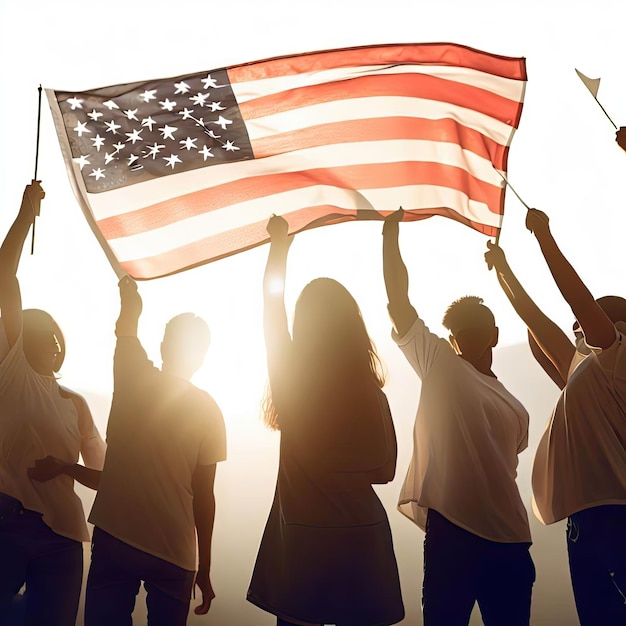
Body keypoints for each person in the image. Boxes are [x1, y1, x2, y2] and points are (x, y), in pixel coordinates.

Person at [247, 215, 404, 626]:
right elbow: (385, 471)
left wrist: (279, 246)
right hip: (362, 536)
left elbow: (270, 308)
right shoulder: (372, 396)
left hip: (304, 539)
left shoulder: (290, 382)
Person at [382, 209, 534, 626]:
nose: (464, 337)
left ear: (494, 335)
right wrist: (389, 233)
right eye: (458, 331)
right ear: (450, 339)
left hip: (510, 542)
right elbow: (399, 301)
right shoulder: (439, 362)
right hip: (453, 535)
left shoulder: (517, 409)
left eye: (472, 328)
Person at [485, 208, 626, 626]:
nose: (577, 331)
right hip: (583, 521)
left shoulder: (617, 355)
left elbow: (573, 295)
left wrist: (543, 236)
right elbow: (536, 323)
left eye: (584, 326)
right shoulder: (587, 368)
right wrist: (503, 270)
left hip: (615, 515)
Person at [83, 275, 227, 626]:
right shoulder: (210, 410)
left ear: (163, 346)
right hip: (174, 551)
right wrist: (204, 567)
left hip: (118, 534)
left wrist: (128, 294)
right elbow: (203, 497)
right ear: (201, 359)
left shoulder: (132, 372)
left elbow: (127, 323)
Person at [0, 180, 106, 626]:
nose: (55, 346)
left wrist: (65, 468)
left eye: (59, 339)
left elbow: (104, 479)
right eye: (45, 337)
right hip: (8, 525)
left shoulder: (76, 403)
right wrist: (26, 216)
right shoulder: (12, 373)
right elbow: (6, 273)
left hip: (64, 535)